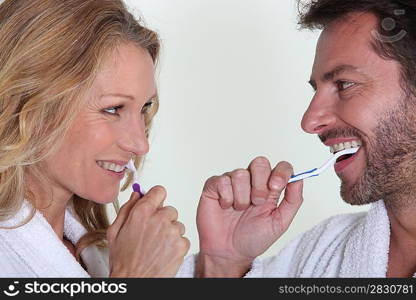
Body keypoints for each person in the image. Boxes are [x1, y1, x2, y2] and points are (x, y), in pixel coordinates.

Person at [177, 0, 416, 278]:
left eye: (344, 84)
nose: (310, 121)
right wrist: (224, 264)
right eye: (317, 89)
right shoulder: (320, 253)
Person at [0, 0, 190, 277]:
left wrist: (222, 263)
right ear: (32, 105)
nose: (140, 144)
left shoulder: (95, 253)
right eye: (113, 109)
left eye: (144, 109)